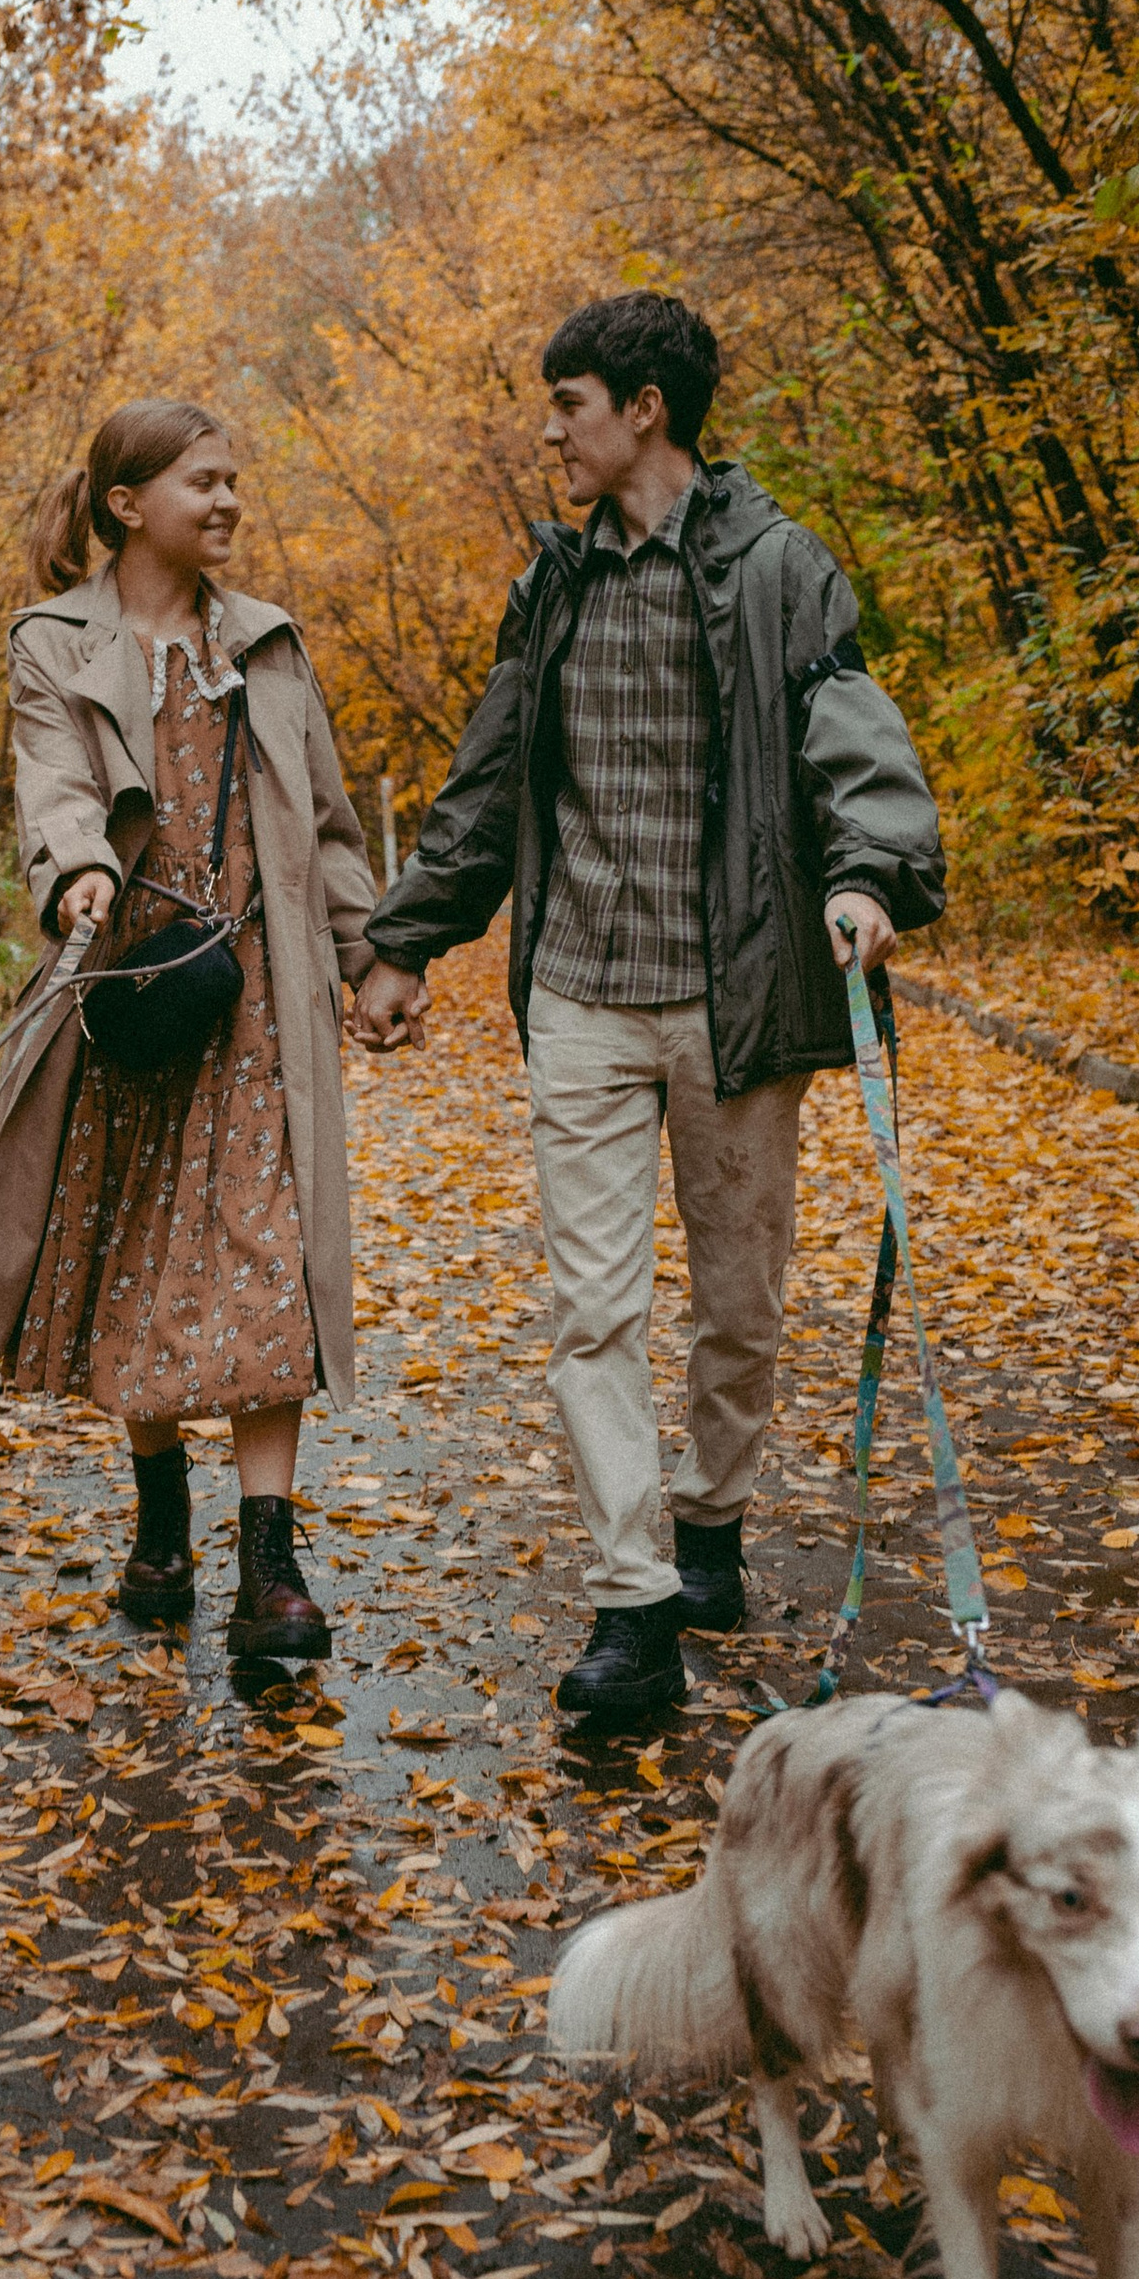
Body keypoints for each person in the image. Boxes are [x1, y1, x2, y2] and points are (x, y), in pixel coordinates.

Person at [352, 295, 944, 1727]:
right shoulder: (550, 586)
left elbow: (846, 727)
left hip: (735, 1002)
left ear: (645, 414)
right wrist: (404, 941)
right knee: (593, 1312)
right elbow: (492, 780)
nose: (550, 429)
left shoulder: (775, 568)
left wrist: (868, 875)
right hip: (582, 1003)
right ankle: (633, 1600)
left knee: (739, 1305)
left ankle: (711, 1519)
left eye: (569, 404)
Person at [0, 397, 381, 1657]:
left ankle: (270, 1562)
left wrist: (368, 958)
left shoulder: (268, 645)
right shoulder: (54, 643)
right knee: (133, 1258)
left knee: (264, 1265)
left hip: (259, 1010)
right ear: (129, 505)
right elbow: (55, 783)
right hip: (134, 997)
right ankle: (156, 1517)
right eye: (205, 482)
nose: (231, 501)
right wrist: (76, 871)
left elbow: (330, 823)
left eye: (236, 479)